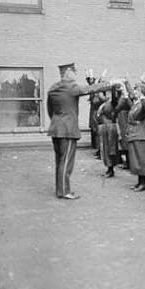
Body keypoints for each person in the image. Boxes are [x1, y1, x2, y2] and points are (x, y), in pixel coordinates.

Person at [47, 63, 116, 199]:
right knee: (66, 161)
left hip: (55, 128)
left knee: (59, 161)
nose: (75, 73)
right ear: (67, 72)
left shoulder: (53, 88)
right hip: (68, 130)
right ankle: (64, 191)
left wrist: (57, 121)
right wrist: (112, 83)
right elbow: (90, 89)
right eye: (73, 71)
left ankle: (60, 189)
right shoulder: (71, 87)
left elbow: (50, 110)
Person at [120, 81, 145, 192]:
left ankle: (143, 183)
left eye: (137, 90)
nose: (135, 92)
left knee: (141, 160)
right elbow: (130, 104)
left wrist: (143, 97)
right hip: (134, 133)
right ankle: (139, 182)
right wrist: (125, 91)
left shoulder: (143, 103)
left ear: (142, 92)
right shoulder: (136, 103)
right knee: (136, 160)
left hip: (140, 134)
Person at [97, 86, 121, 178]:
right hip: (104, 127)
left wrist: (113, 86)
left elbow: (115, 98)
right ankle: (108, 168)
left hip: (110, 127)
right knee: (105, 149)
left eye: (108, 92)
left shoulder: (113, 102)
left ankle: (111, 169)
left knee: (110, 148)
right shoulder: (105, 103)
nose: (106, 94)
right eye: (106, 93)